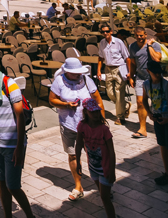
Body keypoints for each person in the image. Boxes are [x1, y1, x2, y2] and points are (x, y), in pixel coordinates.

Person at [0, 53, 36, 218]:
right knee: (2, 184)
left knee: (13, 186)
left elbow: (20, 116)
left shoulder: (9, 84)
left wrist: (18, 146)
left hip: (12, 145)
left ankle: (30, 216)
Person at [49, 57, 104, 200]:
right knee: (73, 155)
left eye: (79, 72)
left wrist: (102, 122)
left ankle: (102, 187)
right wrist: (67, 105)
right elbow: (52, 100)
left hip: (89, 125)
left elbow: (98, 99)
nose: (78, 75)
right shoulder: (59, 81)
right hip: (69, 124)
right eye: (75, 73)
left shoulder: (86, 80)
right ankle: (78, 186)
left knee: (95, 155)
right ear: (66, 71)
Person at [75, 98, 116, 218]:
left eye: (97, 111)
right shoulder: (82, 126)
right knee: (103, 194)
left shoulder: (104, 129)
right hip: (93, 166)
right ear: (86, 112)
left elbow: (112, 152)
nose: (96, 114)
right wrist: (78, 162)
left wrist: (112, 171)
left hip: (106, 168)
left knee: (105, 197)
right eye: (92, 112)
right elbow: (78, 144)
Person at [128, 26, 162, 139]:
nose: (139, 37)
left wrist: (150, 46)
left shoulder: (154, 44)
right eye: (137, 36)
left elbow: (157, 58)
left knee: (156, 102)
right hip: (140, 78)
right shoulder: (132, 47)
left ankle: (160, 124)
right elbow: (133, 63)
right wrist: (131, 76)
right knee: (140, 102)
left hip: (154, 78)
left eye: (141, 35)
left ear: (145, 34)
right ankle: (142, 128)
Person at [97, 24, 130, 124]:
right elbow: (100, 57)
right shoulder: (102, 43)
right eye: (103, 32)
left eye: (107, 31)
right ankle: (125, 105)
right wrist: (99, 70)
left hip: (119, 68)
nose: (105, 33)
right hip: (108, 69)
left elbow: (127, 57)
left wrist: (129, 72)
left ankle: (120, 117)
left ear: (111, 31)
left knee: (119, 93)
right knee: (110, 93)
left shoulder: (119, 42)